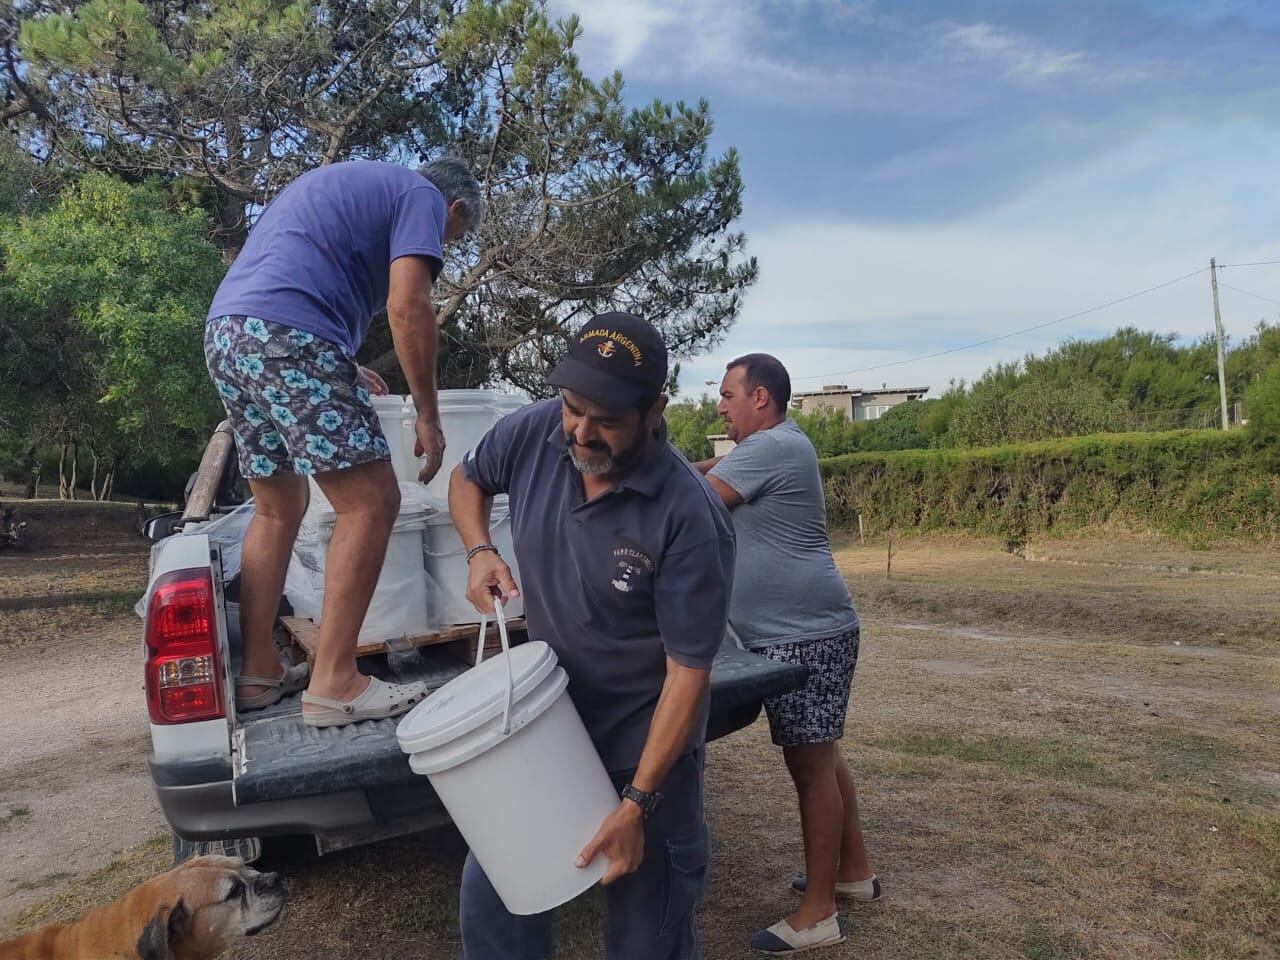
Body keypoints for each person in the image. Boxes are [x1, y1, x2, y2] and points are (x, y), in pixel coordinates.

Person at [449, 312, 735, 959]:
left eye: (604, 418)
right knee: (494, 899)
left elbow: (688, 673)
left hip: (645, 756)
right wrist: (479, 549)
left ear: (655, 409)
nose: (580, 430)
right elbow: (467, 479)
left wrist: (635, 805)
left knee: (647, 939)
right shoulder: (533, 433)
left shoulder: (690, 515)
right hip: (547, 738)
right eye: (573, 408)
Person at [203, 156, 482, 727]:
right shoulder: (423, 196)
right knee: (373, 502)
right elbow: (409, 307)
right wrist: (426, 413)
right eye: (452, 239)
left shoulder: (358, 184)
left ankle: (258, 671)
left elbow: (296, 274)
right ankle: (335, 682)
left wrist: (343, 365)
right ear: (456, 210)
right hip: (288, 335)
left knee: (278, 509)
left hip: (231, 333)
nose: (442, 250)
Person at [695, 354, 880, 955]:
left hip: (808, 633)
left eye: (728, 395)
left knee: (810, 767)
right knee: (822, 757)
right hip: (806, 629)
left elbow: (697, 498)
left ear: (761, 399)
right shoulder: (770, 446)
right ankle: (851, 872)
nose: (719, 405)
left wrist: (636, 468)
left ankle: (818, 912)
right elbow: (708, 467)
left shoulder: (773, 447)